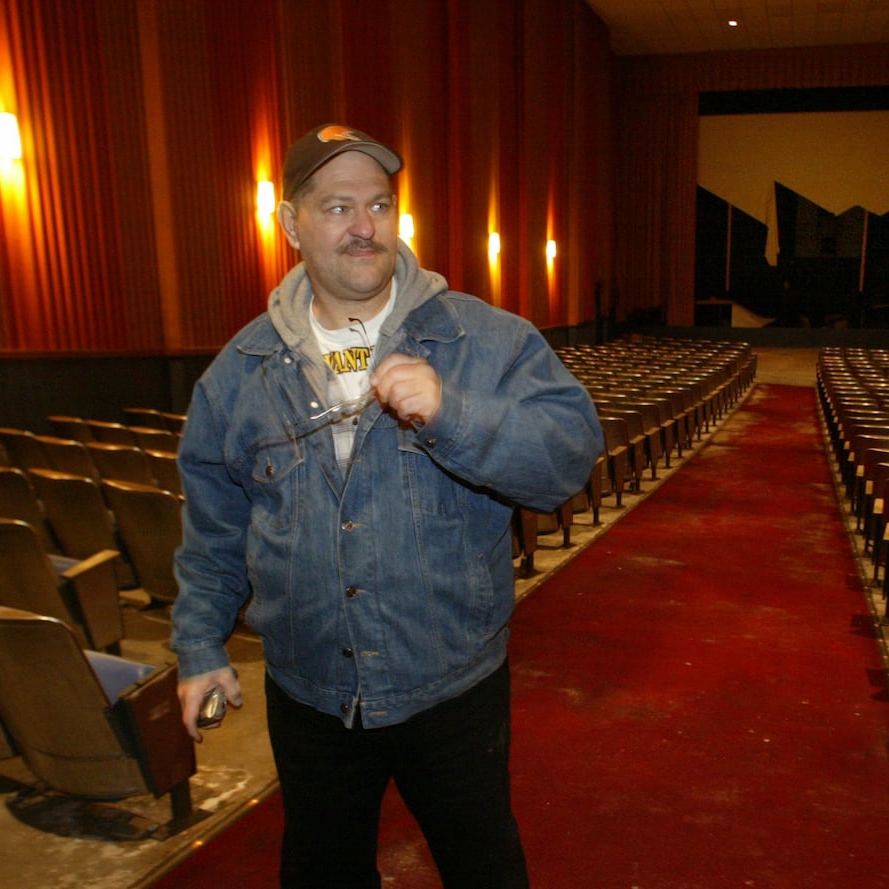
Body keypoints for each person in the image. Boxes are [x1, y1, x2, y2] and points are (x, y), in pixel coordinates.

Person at [171, 122, 602, 889]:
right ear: (289, 221)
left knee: (484, 865)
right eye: (337, 206)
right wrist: (201, 644)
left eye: (378, 204)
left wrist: (456, 412)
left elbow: (567, 463)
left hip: (451, 685)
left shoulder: (486, 340)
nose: (362, 226)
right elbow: (215, 529)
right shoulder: (239, 374)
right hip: (309, 692)